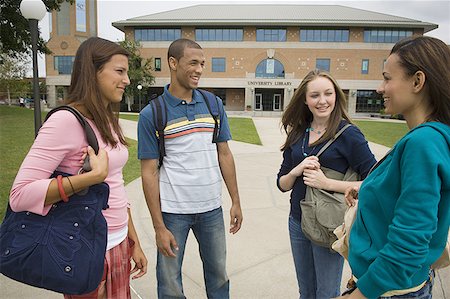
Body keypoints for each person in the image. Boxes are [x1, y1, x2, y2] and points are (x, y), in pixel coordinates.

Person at [9, 37, 148, 298]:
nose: (127, 79)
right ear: (92, 73)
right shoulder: (65, 121)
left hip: (118, 242)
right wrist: (91, 177)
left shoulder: (105, 120)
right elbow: (19, 195)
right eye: (119, 71)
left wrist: (134, 242)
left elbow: (115, 185)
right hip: (84, 248)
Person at [337, 36, 450, 299]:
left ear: (417, 81)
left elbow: (407, 247)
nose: (380, 88)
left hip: (389, 291)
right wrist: (369, 194)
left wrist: (357, 296)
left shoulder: (422, 143)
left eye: (388, 78)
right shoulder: (433, 137)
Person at [138, 38, 243, 299]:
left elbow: (225, 154)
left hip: (211, 210)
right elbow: (149, 172)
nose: (199, 69)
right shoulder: (153, 113)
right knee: (170, 283)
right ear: (173, 63)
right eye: (192, 63)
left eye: (202, 64)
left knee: (218, 276)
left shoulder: (213, 104)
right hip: (174, 213)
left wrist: (236, 201)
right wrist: (158, 227)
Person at [276, 69, 376, 299]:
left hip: (329, 225)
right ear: (305, 99)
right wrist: (297, 170)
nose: (322, 101)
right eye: (315, 95)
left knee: (326, 293)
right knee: (306, 292)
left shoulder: (349, 135)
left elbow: (375, 181)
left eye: (328, 94)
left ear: (336, 96)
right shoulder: (298, 132)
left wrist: (326, 182)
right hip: (297, 222)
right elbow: (282, 184)